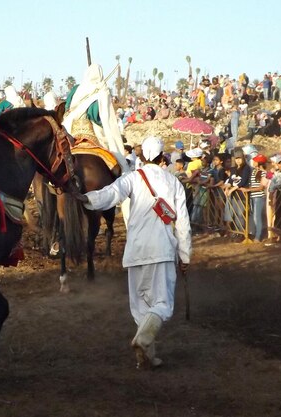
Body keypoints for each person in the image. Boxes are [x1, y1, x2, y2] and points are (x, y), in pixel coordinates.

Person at [72, 136, 191, 368]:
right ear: (161, 157)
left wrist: (85, 198)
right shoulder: (174, 183)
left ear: (144, 157)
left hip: (135, 251)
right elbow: (183, 224)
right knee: (162, 304)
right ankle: (144, 340)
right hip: (163, 250)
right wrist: (185, 256)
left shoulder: (132, 178)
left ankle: (145, 358)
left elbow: (109, 195)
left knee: (140, 309)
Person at [63, 63, 129, 173]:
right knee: (114, 154)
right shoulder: (102, 91)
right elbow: (102, 117)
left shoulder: (76, 89)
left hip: (71, 128)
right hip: (94, 132)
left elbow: (67, 107)